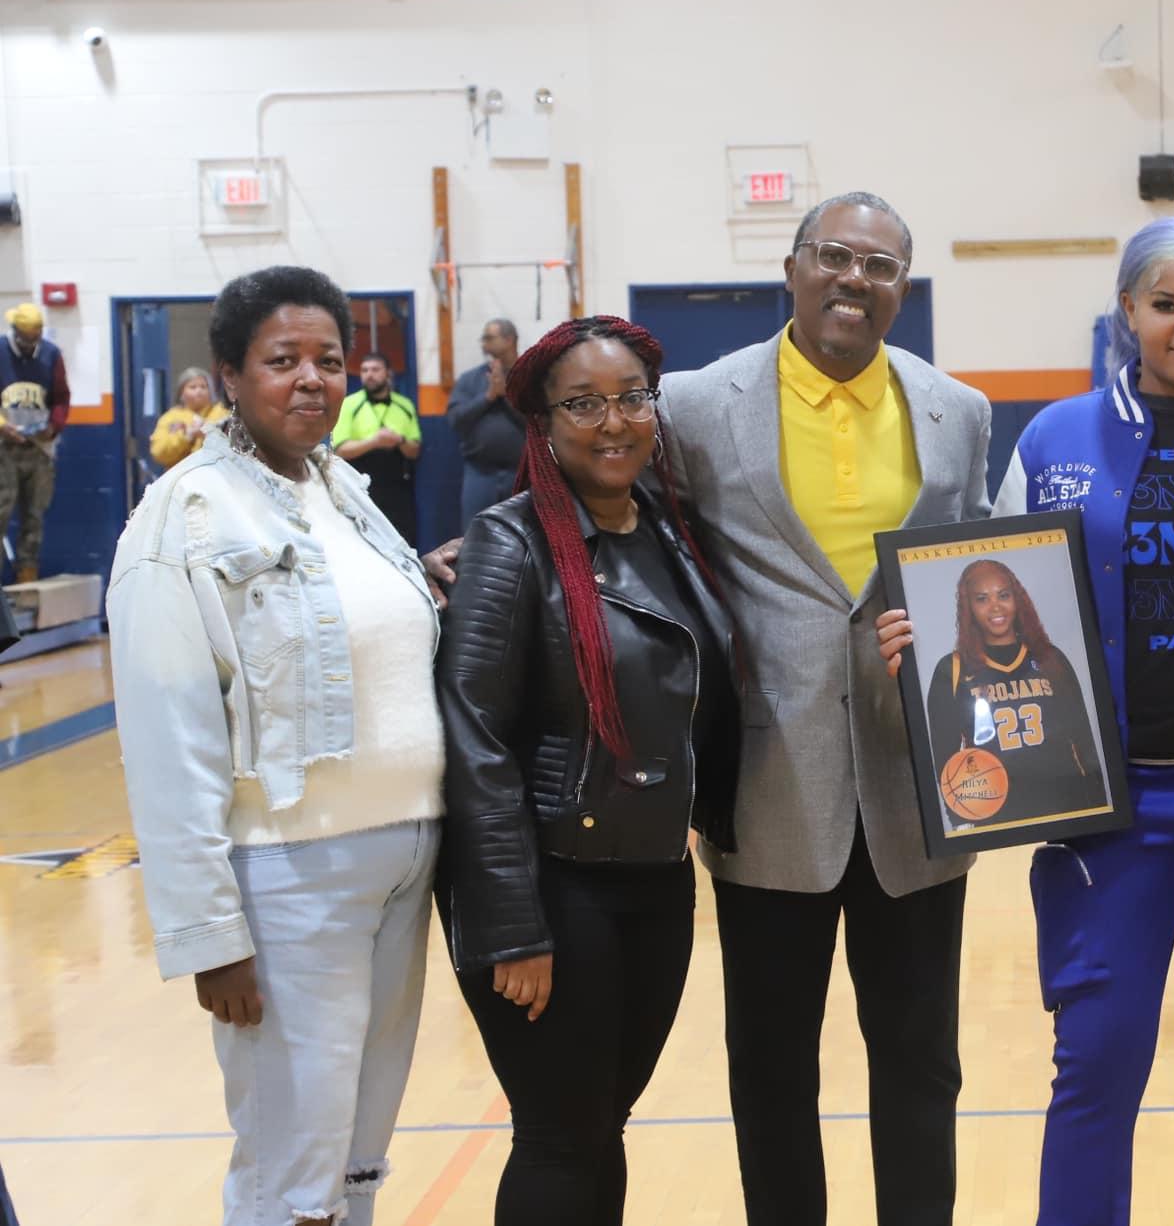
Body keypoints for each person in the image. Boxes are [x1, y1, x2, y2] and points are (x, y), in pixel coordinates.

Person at [885, 217, 1174, 1225]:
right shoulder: (1055, 437)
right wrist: (927, 645)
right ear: (1126, 313)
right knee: (1096, 1061)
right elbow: (991, 595)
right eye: (1166, 305)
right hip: (1105, 803)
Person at [656, 190, 990, 1226]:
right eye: (835, 256)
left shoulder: (956, 410)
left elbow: (978, 574)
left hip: (919, 782)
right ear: (792, 266)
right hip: (766, 786)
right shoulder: (695, 404)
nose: (855, 279)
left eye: (880, 265)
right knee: (768, 1063)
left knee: (921, 1060)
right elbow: (625, 525)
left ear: (901, 287)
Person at [107, 265, 442, 1226]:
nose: (311, 380)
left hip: (405, 861)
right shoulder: (184, 518)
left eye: (328, 361)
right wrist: (209, 934)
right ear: (227, 376)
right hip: (289, 877)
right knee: (291, 1166)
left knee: (358, 1156)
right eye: (281, 360)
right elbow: (170, 745)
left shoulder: (344, 492)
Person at [437, 316, 743, 1225]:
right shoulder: (510, 542)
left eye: (630, 399)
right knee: (562, 1137)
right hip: (551, 890)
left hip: (652, 882)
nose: (612, 423)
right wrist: (509, 925)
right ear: (542, 425)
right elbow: (474, 736)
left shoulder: (671, 531)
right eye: (582, 405)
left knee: (599, 1125)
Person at [922, 558, 1107, 828]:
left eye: (1004, 595)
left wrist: (1099, 803)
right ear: (968, 608)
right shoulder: (952, 669)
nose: (995, 606)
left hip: (1066, 804)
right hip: (997, 815)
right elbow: (945, 758)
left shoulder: (1050, 658)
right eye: (982, 599)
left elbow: (1082, 741)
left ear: (1017, 599)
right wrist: (961, 819)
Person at [0, 301, 69, 582]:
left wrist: (53, 427)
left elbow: (62, 398)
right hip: (4, 445)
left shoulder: (52, 355)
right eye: (25, 339)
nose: (30, 344)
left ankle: (26, 578)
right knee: (2, 509)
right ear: (15, 332)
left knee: (34, 515)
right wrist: (4, 427)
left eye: (35, 338)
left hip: (39, 446)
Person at [332, 353, 423, 543]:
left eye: (375, 370)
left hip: (397, 486)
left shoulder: (404, 405)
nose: (369, 375)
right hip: (360, 485)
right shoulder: (349, 404)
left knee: (404, 538)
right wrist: (374, 441)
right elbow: (339, 450)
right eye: (364, 370)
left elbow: (414, 450)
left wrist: (399, 440)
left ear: (388, 373)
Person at [448, 318, 526, 527]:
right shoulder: (469, 379)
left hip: (521, 473)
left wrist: (507, 397)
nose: (483, 343)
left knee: (525, 535)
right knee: (476, 535)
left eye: (489, 338)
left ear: (509, 340)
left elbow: (540, 422)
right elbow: (456, 420)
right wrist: (489, 396)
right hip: (479, 473)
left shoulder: (529, 376)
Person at [149, 366, 230, 469]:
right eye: (193, 387)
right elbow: (158, 452)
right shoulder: (171, 417)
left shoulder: (221, 412)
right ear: (181, 393)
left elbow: (231, 442)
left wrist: (207, 431)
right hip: (180, 478)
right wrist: (187, 435)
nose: (199, 391)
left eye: (203, 387)